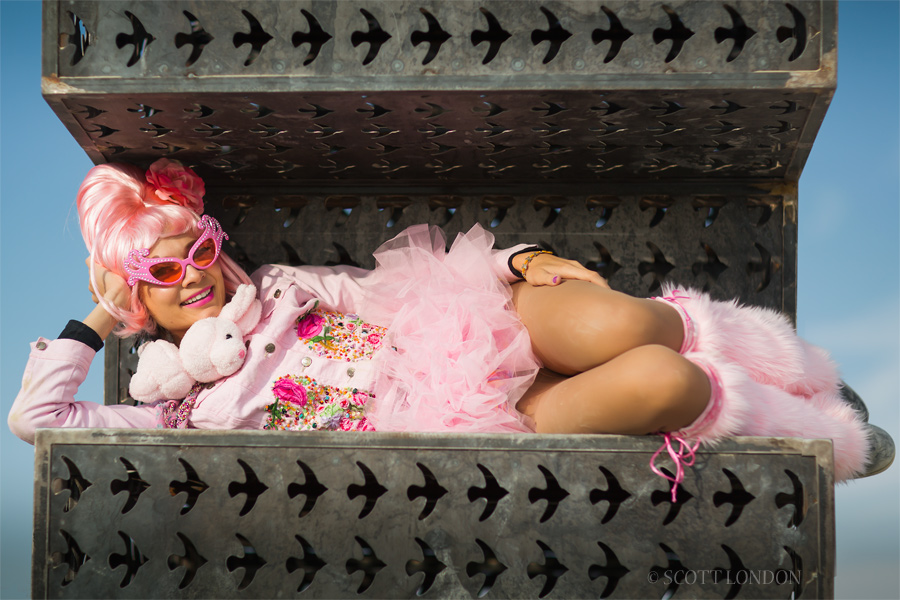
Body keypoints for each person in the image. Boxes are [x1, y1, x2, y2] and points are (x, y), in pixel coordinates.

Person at [8, 159, 871, 491]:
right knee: (669, 385)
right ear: (135, 299)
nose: (189, 273)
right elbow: (38, 423)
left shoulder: (279, 288)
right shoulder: (177, 413)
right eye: (157, 272)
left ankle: (805, 370)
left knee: (623, 324)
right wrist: (96, 316)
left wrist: (517, 263)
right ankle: (830, 437)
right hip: (464, 420)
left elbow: (390, 285)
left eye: (193, 247)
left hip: (467, 329)